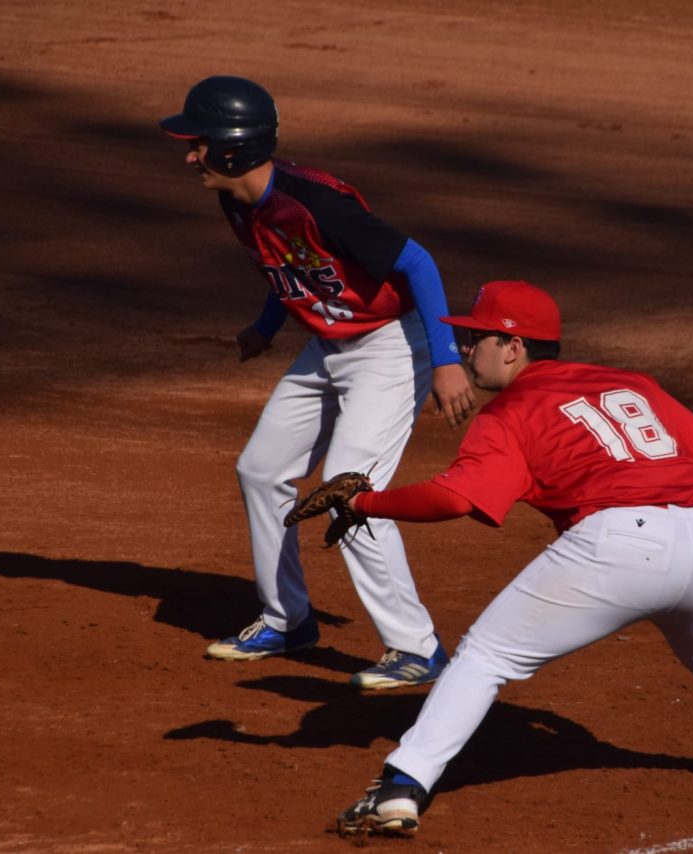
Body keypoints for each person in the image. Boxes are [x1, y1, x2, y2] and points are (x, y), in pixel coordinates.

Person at [326, 279, 693, 836]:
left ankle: (400, 788)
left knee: (486, 656)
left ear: (514, 347)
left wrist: (364, 503)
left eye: (477, 338)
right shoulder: (627, 381)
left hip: (620, 541)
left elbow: (457, 497)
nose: (466, 349)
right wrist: (682, 532)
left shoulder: (510, 411)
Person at [158, 76, 475, 689]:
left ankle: (417, 648)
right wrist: (266, 325)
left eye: (199, 144)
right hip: (326, 345)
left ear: (234, 149)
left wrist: (445, 361)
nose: (191, 156)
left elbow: (418, 262)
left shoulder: (317, 202)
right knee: (260, 469)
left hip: (390, 346)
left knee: (349, 487)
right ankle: (288, 620)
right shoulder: (237, 199)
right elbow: (286, 265)